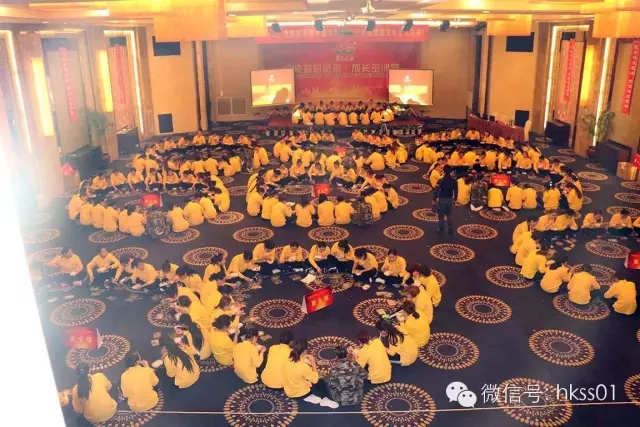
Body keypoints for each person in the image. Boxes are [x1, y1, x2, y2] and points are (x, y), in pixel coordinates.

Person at [283, 339, 339, 408]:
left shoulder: (287, 358)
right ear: (304, 351)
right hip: (299, 393)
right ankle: (325, 398)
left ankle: (309, 396)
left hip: (288, 390)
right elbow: (315, 380)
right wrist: (313, 363)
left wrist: (303, 358)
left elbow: (295, 366)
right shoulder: (303, 367)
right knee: (321, 380)